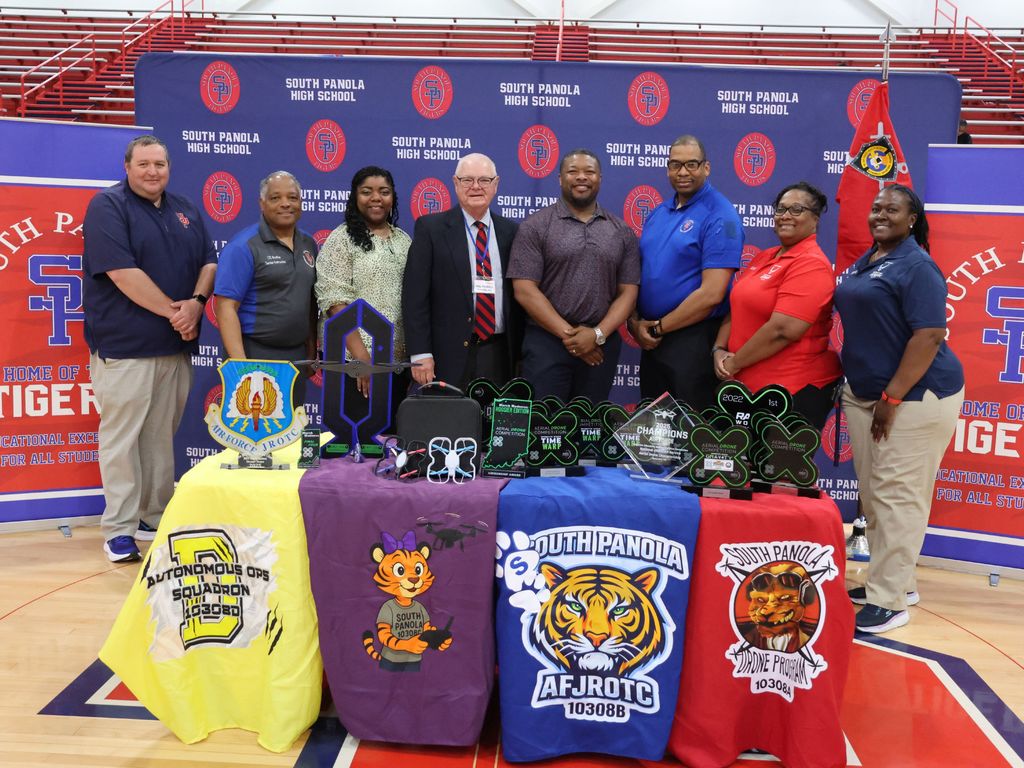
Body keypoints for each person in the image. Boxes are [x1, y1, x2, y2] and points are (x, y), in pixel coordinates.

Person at [834, 184, 965, 634]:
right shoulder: (870, 259)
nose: (880, 214)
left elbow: (928, 336)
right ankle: (895, 582)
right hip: (866, 394)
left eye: (892, 209)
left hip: (915, 395)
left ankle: (890, 603)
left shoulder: (918, 266)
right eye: (876, 207)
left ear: (912, 219)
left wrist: (892, 397)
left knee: (898, 497)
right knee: (874, 495)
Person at [82, 134, 216, 563]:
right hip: (125, 347)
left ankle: (152, 517)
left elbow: (209, 261)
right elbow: (122, 273)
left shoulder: (184, 209)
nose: (152, 171)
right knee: (121, 440)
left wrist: (196, 304)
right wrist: (175, 313)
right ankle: (119, 529)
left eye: (159, 163)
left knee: (160, 439)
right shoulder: (108, 206)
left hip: (173, 347)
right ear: (127, 166)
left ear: (168, 167)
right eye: (143, 164)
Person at [508, 149, 640, 402]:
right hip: (547, 344)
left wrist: (596, 335)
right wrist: (574, 339)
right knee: (543, 428)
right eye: (573, 171)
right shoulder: (535, 226)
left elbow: (629, 293)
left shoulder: (621, 231)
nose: (581, 177)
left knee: (589, 431)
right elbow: (525, 290)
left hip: (600, 346)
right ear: (559, 178)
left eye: (589, 172)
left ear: (600, 178)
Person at [712, 181, 842, 429]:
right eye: (781, 209)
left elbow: (784, 329)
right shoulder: (765, 256)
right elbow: (738, 305)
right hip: (746, 389)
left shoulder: (811, 264)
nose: (785, 216)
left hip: (789, 392)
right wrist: (718, 349)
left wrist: (735, 362)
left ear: (815, 219)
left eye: (796, 210)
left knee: (775, 468)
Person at [629, 135, 743, 411]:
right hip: (654, 340)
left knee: (691, 433)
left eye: (691, 164)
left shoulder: (721, 215)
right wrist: (636, 324)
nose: (682, 172)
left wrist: (658, 327)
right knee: (654, 436)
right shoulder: (659, 212)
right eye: (675, 165)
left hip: (693, 340)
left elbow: (712, 294)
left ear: (707, 168)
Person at [402, 153, 521, 389]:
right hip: (446, 354)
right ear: (455, 184)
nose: (476, 187)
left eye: (484, 180)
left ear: (496, 184)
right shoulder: (431, 229)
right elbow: (415, 297)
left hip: (499, 352)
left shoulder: (511, 231)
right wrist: (420, 353)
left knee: (492, 424)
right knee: (447, 423)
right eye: (467, 180)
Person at [315, 166, 412, 442]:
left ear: (393, 197)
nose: (376, 198)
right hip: (358, 367)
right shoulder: (341, 239)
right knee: (360, 451)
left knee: (392, 448)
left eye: (384, 192)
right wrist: (362, 360)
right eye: (366, 192)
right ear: (354, 197)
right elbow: (335, 301)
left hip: (396, 366)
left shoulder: (403, 240)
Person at [213, 171, 317, 408]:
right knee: (255, 439)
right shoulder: (243, 246)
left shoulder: (308, 244)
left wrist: (311, 349)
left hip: (296, 358)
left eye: (292, 197)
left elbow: (310, 302)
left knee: (289, 440)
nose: (285, 204)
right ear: (262, 204)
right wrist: (241, 368)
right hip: (255, 355)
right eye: (275, 198)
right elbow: (225, 307)